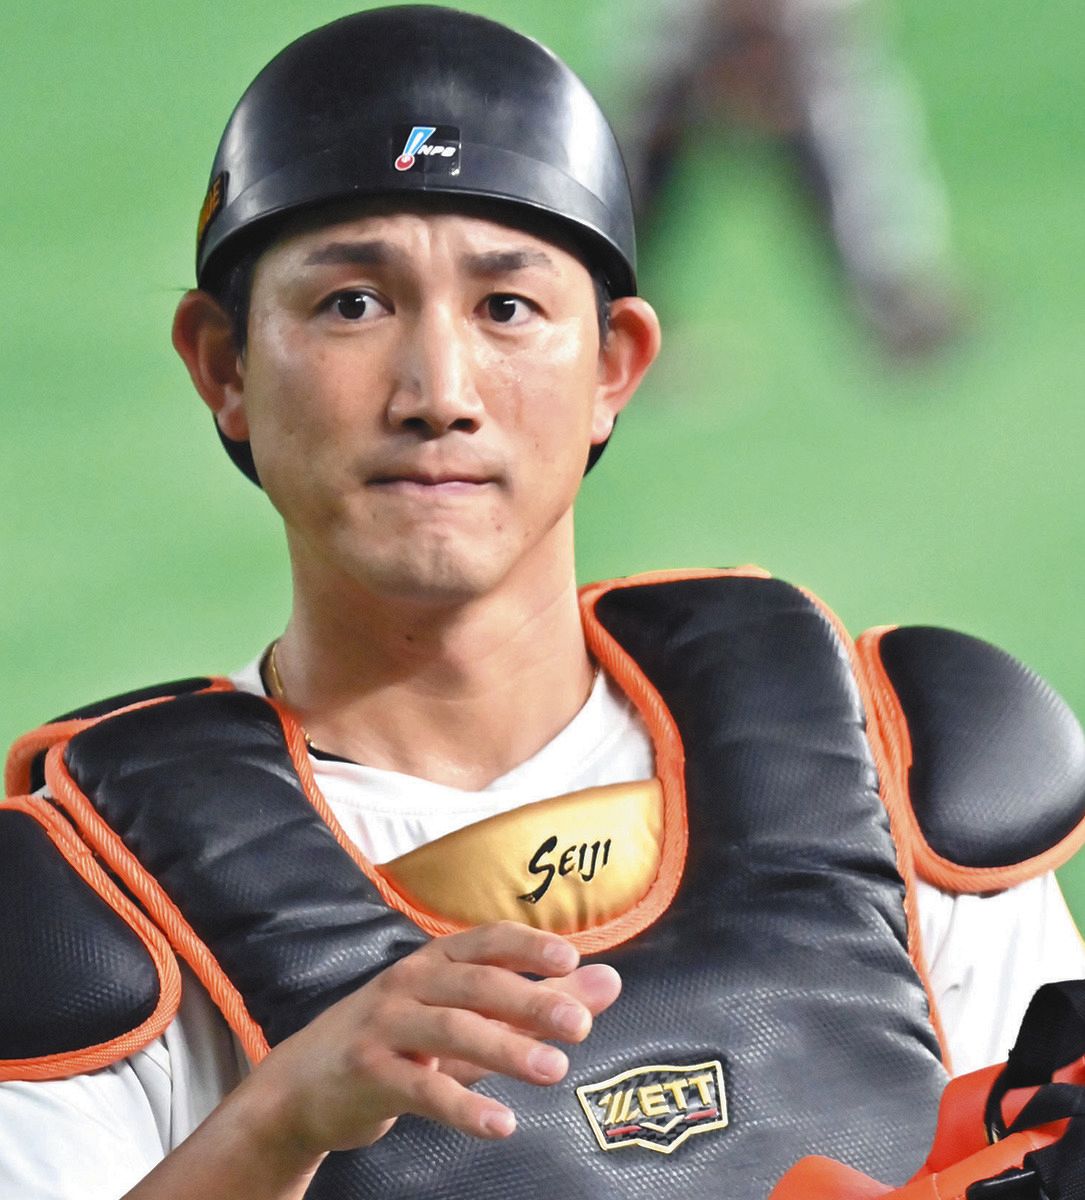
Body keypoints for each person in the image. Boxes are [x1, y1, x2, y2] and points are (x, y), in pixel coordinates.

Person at [1, 7, 1083, 1200]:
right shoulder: (79, 914)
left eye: (505, 307)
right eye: (351, 303)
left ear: (615, 365)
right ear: (224, 366)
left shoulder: (895, 769)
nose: (438, 392)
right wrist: (270, 1127)